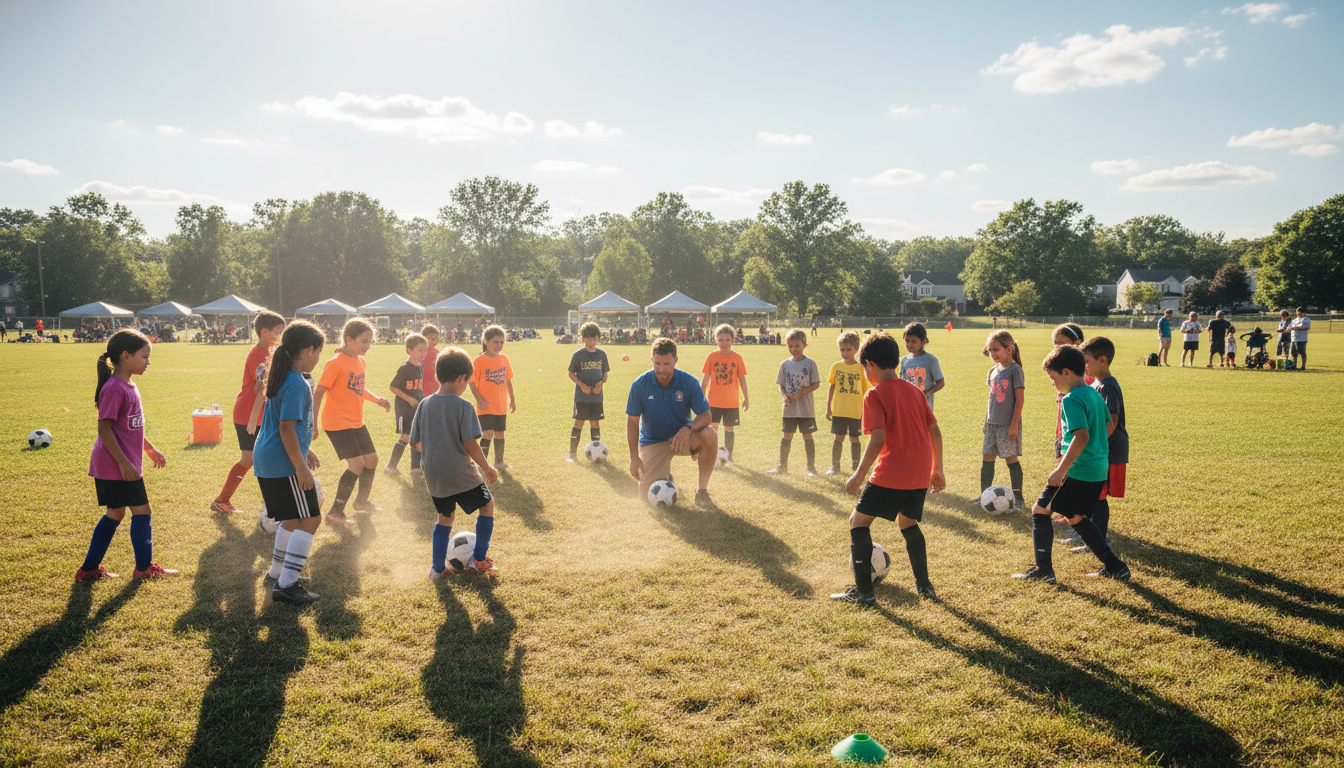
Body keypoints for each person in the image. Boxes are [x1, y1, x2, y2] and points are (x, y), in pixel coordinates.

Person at [831, 330, 944, 605]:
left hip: (893, 471)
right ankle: (924, 586)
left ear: (869, 365)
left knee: (857, 522)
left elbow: (879, 438)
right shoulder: (916, 391)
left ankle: (864, 593)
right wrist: (937, 469)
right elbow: (935, 430)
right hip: (919, 472)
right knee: (908, 523)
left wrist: (859, 474)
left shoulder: (874, 394)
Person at [1012, 345, 1130, 583]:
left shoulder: (1071, 399)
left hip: (1077, 470)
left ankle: (1044, 570)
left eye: (1052, 378)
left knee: (1040, 510)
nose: (1052, 383)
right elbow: (1107, 426)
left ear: (1066, 372)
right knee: (1075, 516)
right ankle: (1116, 566)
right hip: (1097, 469)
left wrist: (1061, 469)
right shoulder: (1095, 394)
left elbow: (1082, 436)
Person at [75, 329, 177, 581]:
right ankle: (144, 569)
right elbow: (104, 428)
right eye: (144, 356)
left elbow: (130, 427)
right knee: (142, 511)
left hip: (119, 464)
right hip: (115, 465)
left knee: (116, 513)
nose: (148, 362)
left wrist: (149, 448)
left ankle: (88, 570)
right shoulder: (115, 388)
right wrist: (124, 463)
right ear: (125, 356)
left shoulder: (129, 385)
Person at [253, 321, 325, 605]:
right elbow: (285, 427)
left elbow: (286, 426)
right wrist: (300, 467)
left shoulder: (285, 376)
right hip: (282, 463)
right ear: (308, 350)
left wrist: (304, 451)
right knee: (311, 518)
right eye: (319, 351)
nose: (319, 357)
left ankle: (278, 571)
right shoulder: (296, 383)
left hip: (270, 457)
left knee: (293, 518)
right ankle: (287, 584)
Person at [412, 347, 501, 578]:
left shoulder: (424, 404)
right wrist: (487, 468)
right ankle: (479, 559)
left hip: (433, 472)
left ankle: (437, 569)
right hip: (459, 470)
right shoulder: (464, 406)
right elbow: (470, 444)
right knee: (487, 505)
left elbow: (415, 443)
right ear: (463, 378)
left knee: (445, 517)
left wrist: (436, 451)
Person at [314, 318, 391, 524]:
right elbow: (319, 391)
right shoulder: (335, 363)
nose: (368, 346)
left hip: (356, 421)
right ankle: (335, 511)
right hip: (337, 423)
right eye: (364, 341)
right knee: (356, 464)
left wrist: (377, 400)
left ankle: (362, 501)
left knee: (372, 460)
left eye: (369, 342)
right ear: (349, 339)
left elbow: (357, 387)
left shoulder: (360, 361)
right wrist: (312, 422)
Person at [626, 337, 718, 507]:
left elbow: (706, 416)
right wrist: (633, 457)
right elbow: (632, 422)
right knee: (647, 498)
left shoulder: (688, 382)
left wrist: (689, 428)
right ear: (652, 360)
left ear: (676, 360)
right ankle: (665, 476)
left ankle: (702, 491)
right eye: (658, 363)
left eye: (667, 364)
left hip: (682, 438)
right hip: (653, 441)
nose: (662, 369)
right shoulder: (640, 384)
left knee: (710, 434)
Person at [211, 310, 286, 515]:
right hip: (248, 416)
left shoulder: (270, 353)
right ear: (264, 331)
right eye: (278, 332)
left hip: (261, 415)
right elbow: (265, 386)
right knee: (250, 459)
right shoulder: (258, 356)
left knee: (265, 457)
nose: (281, 336)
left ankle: (273, 503)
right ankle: (222, 500)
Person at [1077, 337, 1127, 556]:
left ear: (1103, 360)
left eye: (1086, 361)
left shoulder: (1108, 386)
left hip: (1107, 450)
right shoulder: (1095, 384)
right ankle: (1092, 539)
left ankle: (1099, 541)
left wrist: (1094, 445)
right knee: (1093, 496)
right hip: (1099, 450)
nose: (1083, 366)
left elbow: (1112, 422)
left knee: (1099, 496)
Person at [768, 329, 822, 476]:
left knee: (808, 436)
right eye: (790, 346)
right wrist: (785, 396)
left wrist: (799, 393)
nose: (793, 349)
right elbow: (781, 386)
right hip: (789, 410)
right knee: (787, 436)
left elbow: (816, 384)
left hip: (806, 409)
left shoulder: (810, 363)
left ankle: (811, 468)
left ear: (804, 344)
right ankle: (782, 467)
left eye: (797, 346)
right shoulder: (784, 364)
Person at [981, 330, 1025, 508]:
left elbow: (1020, 400)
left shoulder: (1016, 370)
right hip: (992, 424)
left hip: (1007, 424)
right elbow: (991, 398)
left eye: (996, 349)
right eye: (990, 350)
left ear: (1009, 349)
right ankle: (984, 495)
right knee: (987, 458)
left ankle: (1019, 498)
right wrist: (986, 421)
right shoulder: (993, 370)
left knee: (1011, 459)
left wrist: (1014, 425)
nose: (992, 353)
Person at [699, 324, 749, 463]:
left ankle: (728, 456)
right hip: (714, 401)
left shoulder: (737, 358)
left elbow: (742, 379)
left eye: (727, 340)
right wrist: (700, 397)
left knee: (729, 429)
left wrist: (746, 397)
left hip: (731, 401)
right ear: (716, 340)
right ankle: (710, 454)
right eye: (721, 340)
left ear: (733, 340)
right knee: (712, 428)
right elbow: (705, 379)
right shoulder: (711, 357)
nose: (724, 343)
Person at [824, 331, 870, 476]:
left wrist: (866, 412)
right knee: (838, 438)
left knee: (854, 438)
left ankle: (856, 467)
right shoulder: (836, 367)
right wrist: (828, 408)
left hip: (855, 411)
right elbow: (832, 387)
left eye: (848, 349)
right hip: (839, 410)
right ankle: (835, 466)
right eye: (842, 349)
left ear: (856, 349)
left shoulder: (861, 368)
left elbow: (866, 392)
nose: (845, 353)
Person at [470, 325, 516, 470]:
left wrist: (512, 400)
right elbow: (471, 383)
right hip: (486, 406)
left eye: (502, 342)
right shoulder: (479, 361)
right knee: (487, 433)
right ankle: (480, 464)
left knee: (500, 433)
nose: (499, 345)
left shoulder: (504, 359)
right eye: (495, 342)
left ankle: (499, 462)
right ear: (486, 341)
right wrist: (479, 400)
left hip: (500, 405)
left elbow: (508, 380)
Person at [386, 333, 427, 476]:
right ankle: (390, 467)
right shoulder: (405, 368)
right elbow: (393, 387)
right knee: (405, 436)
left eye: (425, 350)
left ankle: (415, 468)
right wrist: (409, 399)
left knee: (417, 435)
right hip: (405, 409)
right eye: (420, 350)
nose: (423, 353)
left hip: (417, 408)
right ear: (410, 351)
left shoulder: (420, 366)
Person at [567, 322, 610, 462]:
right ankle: (572, 454)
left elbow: (605, 374)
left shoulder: (601, 355)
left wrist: (601, 384)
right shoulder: (578, 355)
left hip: (596, 397)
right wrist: (581, 385)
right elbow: (571, 373)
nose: (591, 341)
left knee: (595, 423)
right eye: (588, 339)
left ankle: (596, 454)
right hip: (581, 396)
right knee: (579, 423)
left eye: (594, 338)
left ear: (598, 338)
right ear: (583, 339)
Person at [899, 322, 945, 410]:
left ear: (923, 342)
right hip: (906, 407)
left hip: (924, 408)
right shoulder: (903, 360)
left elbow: (940, 383)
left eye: (913, 341)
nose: (909, 344)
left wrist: (925, 393)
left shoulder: (930, 360)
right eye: (907, 341)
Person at [421, 324, 442, 398]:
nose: (433, 341)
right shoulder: (419, 354)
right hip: (422, 392)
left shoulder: (439, 354)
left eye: (435, 338)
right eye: (430, 338)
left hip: (436, 390)